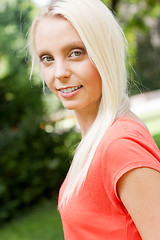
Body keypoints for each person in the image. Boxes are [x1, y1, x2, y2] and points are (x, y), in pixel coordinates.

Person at [29, 0, 160, 239]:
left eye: (75, 53)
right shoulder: (97, 138)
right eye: (47, 58)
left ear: (105, 53)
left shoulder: (119, 145)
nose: (59, 73)